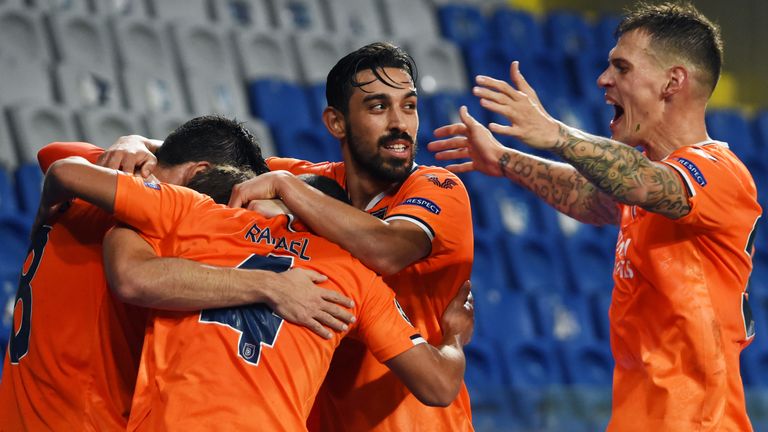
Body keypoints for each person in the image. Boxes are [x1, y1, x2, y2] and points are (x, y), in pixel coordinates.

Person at [105, 42, 475, 431]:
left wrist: (286, 187)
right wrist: (136, 143)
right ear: (336, 122)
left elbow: (388, 249)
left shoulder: (436, 187)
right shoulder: (313, 180)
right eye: (378, 107)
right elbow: (202, 162)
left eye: (409, 106)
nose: (400, 123)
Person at [429, 2, 761, 431]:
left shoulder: (718, 170)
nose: (604, 80)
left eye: (622, 68)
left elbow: (638, 181)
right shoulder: (653, 187)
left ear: (672, 82)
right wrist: (504, 159)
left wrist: (556, 133)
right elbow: (590, 196)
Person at [39, 155, 474, 431]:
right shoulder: (355, 277)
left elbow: (64, 169)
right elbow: (438, 385)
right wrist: (453, 336)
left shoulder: (199, 214)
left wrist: (51, 212)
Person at [0, 116, 355, 431]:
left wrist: (135, 141)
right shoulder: (154, 230)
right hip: (82, 418)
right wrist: (271, 285)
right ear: (200, 174)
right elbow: (132, 278)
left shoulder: (92, 180)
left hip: (17, 410)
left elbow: (55, 155)